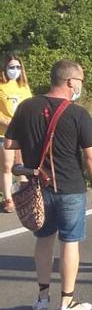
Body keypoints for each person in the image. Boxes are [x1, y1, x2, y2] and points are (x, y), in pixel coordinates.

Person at [5, 59, 92, 310]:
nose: (80, 86)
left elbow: (10, 144)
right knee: (70, 242)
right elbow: (91, 156)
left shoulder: (27, 106)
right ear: (70, 81)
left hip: (38, 186)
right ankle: (67, 302)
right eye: (80, 81)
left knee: (43, 239)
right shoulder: (77, 113)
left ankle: (41, 297)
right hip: (70, 186)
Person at [0, 54, 33, 212]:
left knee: (22, 166)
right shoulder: (1, 86)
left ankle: (24, 194)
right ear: (4, 68)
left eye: (18, 67)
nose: (15, 70)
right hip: (4, 133)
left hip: (23, 133)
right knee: (7, 166)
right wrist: (6, 121)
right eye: (11, 67)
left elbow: (29, 106)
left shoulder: (23, 86)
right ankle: (8, 199)